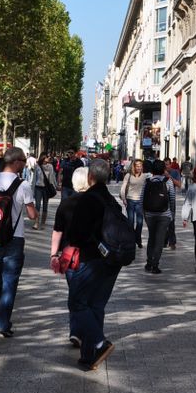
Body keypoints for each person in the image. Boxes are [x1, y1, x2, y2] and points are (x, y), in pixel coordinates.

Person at [57, 158, 123, 370]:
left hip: (90, 259)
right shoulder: (111, 200)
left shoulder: (88, 200)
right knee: (95, 306)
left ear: (90, 177)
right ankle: (88, 356)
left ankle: (99, 343)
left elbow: (77, 235)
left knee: (77, 302)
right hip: (112, 260)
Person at [0, 147, 37, 337]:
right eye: (23, 160)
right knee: (9, 281)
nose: (25, 164)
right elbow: (32, 215)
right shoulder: (22, 185)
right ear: (16, 162)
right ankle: (3, 323)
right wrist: (33, 209)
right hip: (15, 237)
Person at [49, 167, 90, 347]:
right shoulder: (96, 203)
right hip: (91, 256)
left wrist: (53, 254)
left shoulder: (65, 203)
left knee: (74, 292)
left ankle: (76, 330)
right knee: (88, 295)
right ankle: (86, 330)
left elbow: (57, 231)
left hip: (69, 255)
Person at [141, 159, 174, 274]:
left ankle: (149, 263)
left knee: (151, 238)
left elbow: (142, 199)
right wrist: (172, 214)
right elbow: (172, 199)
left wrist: (144, 213)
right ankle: (155, 265)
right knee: (159, 240)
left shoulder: (147, 181)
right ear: (163, 170)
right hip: (164, 215)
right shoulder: (168, 181)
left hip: (149, 215)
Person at [120, 159, 145, 248]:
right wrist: (124, 198)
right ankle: (131, 240)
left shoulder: (144, 176)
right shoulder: (128, 175)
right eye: (137, 166)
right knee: (130, 222)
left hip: (140, 202)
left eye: (140, 166)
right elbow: (123, 188)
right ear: (134, 167)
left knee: (140, 222)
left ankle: (138, 239)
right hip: (130, 200)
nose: (139, 168)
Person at [33, 152, 56, 229]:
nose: (49, 158)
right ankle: (36, 223)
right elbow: (34, 179)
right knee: (37, 206)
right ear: (43, 157)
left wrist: (55, 186)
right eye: (47, 157)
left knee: (45, 206)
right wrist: (32, 190)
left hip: (46, 189)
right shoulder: (37, 166)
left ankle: (43, 223)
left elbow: (52, 178)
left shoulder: (50, 166)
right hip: (38, 188)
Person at [163, 157, 181, 249]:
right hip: (162, 200)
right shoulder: (161, 172)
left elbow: (179, 184)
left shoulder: (175, 172)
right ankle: (164, 241)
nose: (166, 166)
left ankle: (172, 242)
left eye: (167, 164)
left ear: (170, 164)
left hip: (171, 199)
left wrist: (169, 177)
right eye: (165, 165)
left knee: (171, 221)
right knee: (163, 221)